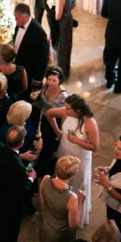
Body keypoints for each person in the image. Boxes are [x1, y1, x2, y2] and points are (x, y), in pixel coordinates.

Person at [47, 94, 99, 227]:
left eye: (68, 108)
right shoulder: (65, 113)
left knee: (78, 182)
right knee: (63, 177)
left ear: (78, 111)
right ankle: (62, 207)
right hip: (64, 151)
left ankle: (77, 212)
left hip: (80, 157)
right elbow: (49, 113)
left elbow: (95, 147)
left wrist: (77, 141)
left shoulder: (89, 123)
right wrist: (58, 131)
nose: (65, 110)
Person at [38, 156, 84, 242]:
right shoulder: (71, 197)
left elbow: (43, 204)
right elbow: (73, 223)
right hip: (60, 233)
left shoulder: (45, 179)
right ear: (73, 175)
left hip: (46, 226)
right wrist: (81, 202)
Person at [32, 66, 68, 179]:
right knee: (44, 142)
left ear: (60, 80)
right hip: (44, 118)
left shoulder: (63, 95)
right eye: (49, 79)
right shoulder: (45, 86)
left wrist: (59, 131)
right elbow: (41, 94)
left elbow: (64, 115)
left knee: (50, 145)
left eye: (54, 80)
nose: (50, 82)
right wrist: (36, 94)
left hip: (55, 122)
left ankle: (45, 169)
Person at [12, 3, 50, 84]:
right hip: (19, 68)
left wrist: (37, 78)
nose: (15, 20)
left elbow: (43, 58)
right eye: (15, 17)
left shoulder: (39, 33)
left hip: (30, 72)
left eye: (17, 18)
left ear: (26, 17)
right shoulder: (19, 24)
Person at [53, 0, 76, 78]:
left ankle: (60, 72)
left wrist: (55, 3)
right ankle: (66, 69)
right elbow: (73, 6)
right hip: (69, 19)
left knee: (62, 46)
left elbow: (57, 16)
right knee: (68, 44)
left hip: (63, 22)